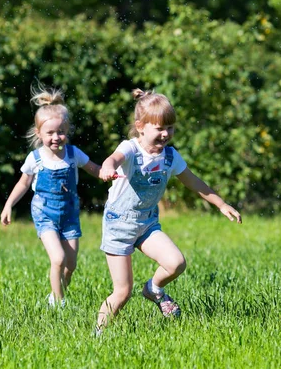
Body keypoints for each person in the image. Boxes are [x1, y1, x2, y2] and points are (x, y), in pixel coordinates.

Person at [96, 88, 242, 333]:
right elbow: (113, 159)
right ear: (140, 126)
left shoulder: (170, 156)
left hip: (147, 223)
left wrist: (221, 204)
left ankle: (153, 289)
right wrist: (106, 168)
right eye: (160, 128)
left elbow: (193, 182)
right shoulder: (131, 149)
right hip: (119, 225)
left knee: (176, 263)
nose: (166, 134)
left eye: (170, 128)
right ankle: (97, 335)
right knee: (122, 292)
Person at [1, 86, 100, 308]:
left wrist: (111, 173)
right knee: (58, 259)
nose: (56, 137)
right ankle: (58, 303)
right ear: (39, 134)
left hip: (69, 214)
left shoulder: (74, 154)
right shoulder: (35, 159)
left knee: (71, 265)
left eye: (61, 132)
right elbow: (23, 183)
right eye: (50, 133)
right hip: (44, 213)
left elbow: (94, 169)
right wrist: (8, 205)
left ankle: (56, 294)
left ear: (68, 130)